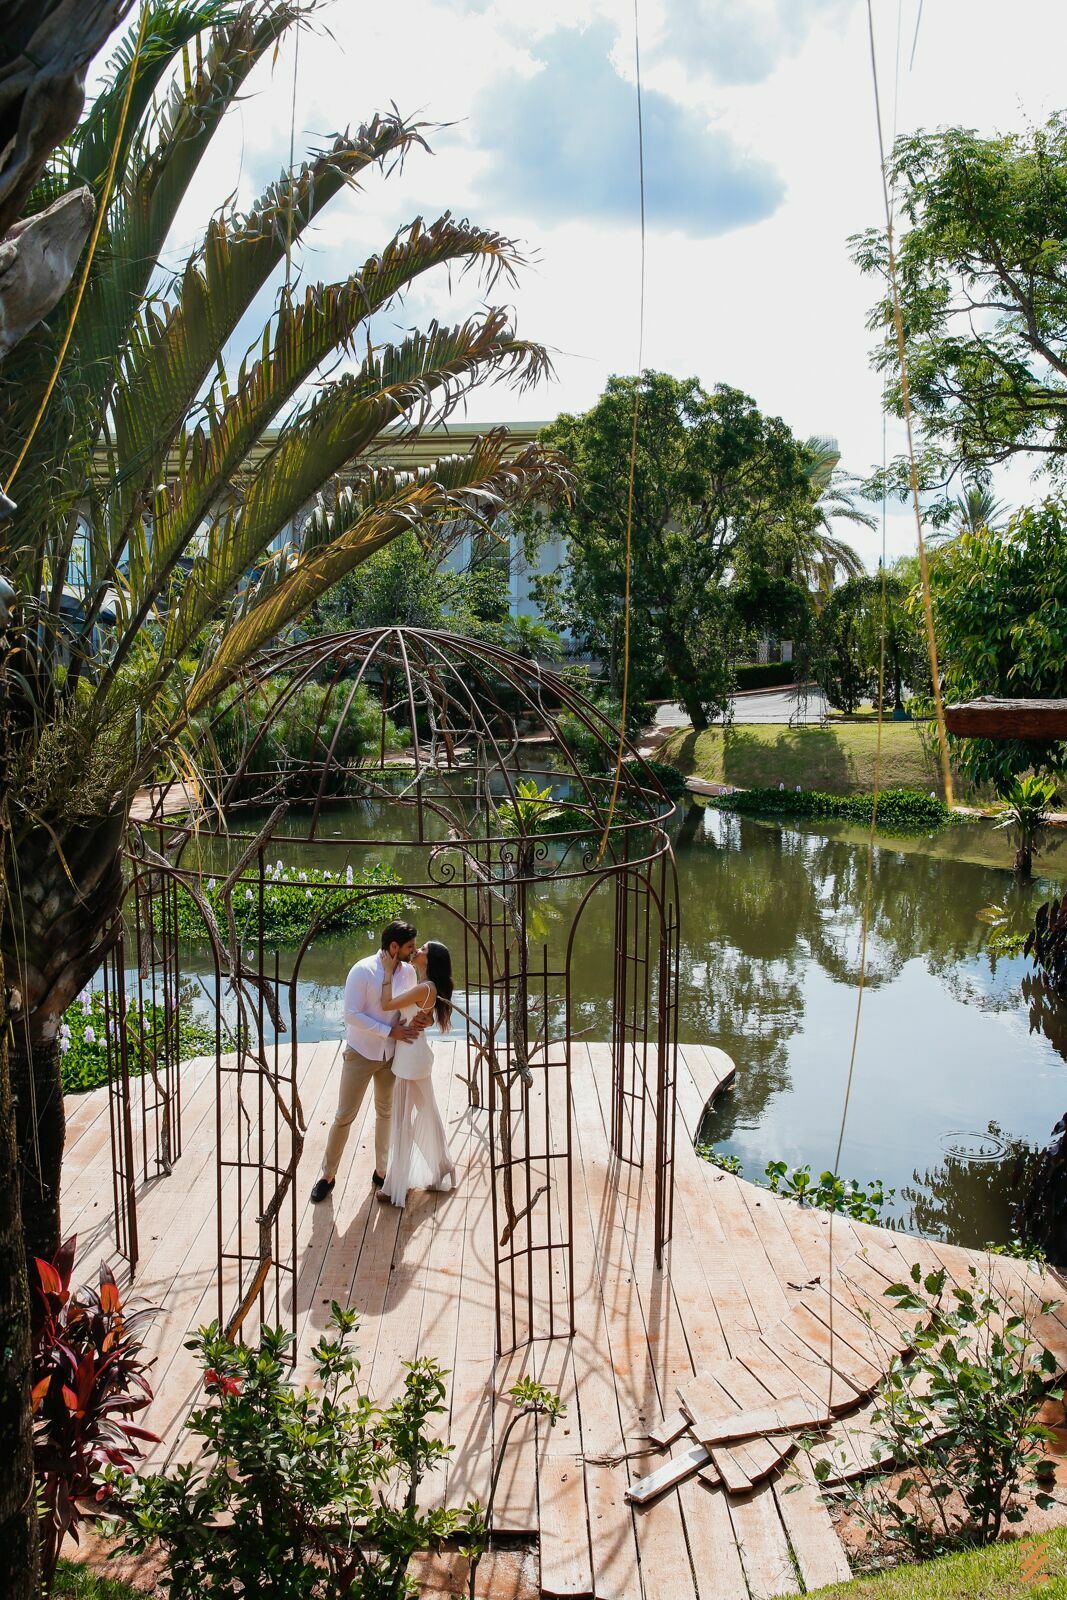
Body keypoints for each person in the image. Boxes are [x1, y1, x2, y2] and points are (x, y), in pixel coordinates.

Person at [310, 919, 428, 1204]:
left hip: (392, 1055)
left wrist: (422, 1020)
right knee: (344, 1116)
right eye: (410, 947)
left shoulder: (408, 973)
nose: (413, 951)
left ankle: (381, 1172)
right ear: (394, 946)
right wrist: (389, 1031)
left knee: (385, 1113)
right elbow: (351, 1015)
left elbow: (408, 1009)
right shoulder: (362, 970)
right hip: (360, 1054)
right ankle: (327, 1175)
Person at [379, 939, 457, 1208]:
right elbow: (422, 1010)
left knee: (403, 1121)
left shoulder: (424, 987)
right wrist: (429, 1017)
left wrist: (387, 971)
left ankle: (394, 1187)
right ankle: (443, 1165)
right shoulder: (425, 985)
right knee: (426, 1112)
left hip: (411, 1060)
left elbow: (387, 1004)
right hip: (415, 1056)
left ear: (429, 960)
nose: (417, 951)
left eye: (422, 949)